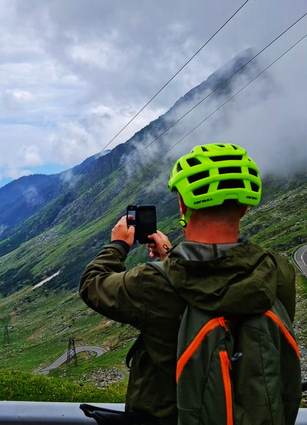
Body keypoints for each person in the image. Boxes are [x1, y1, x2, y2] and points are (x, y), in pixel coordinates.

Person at [79, 143, 297, 425]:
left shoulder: (153, 283)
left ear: (183, 204)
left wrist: (119, 245)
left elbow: (92, 284)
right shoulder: (279, 271)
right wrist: (169, 257)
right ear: (244, 208)